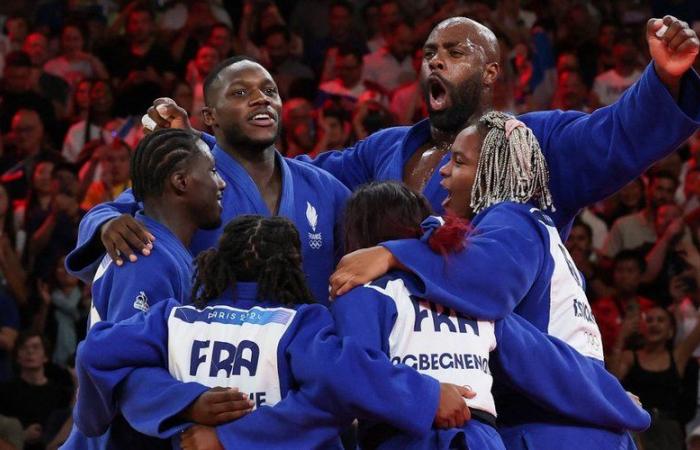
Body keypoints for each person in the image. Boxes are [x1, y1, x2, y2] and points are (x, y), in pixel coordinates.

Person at [338, 112, 648, 449]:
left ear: (489, 171)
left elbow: (486, 287)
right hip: (587, 420)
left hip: (548, 429)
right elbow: (539, 350)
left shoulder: (508, 219)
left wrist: (392, 254)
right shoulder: (542, 230)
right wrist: (610, 395)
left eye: (458, 161)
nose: (443, 170)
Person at [75, 215, 474, 449]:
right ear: (292, 265)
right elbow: (342, 382)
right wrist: (425, 394)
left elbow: (94, 352)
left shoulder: (171, 319)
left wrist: (95, 421)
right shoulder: (299, 323)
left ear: (217, 262)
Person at [66, 57, 350, 305]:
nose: (261, 98)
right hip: (210, 360)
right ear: (209, 116)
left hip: (302, 360)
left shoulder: (323, 186)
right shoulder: (192, 182)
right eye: (240, 92)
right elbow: (112, 211)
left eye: (269, 90)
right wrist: (105, 224)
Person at [61, 128, 227, 449]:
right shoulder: (146, 257)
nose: (222, 183)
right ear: (180, 181)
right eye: (212, 171)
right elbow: (121, 366)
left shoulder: (154, 242)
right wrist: (188, 402)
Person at [611, 306, 700, 450]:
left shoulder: (677, 358)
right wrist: (621, 336)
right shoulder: (630, 357)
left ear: (671, 331)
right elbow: (611, 383)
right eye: (649, 320)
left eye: (660, 320)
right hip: (639, 427)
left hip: (670, 432)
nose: (654, 324)